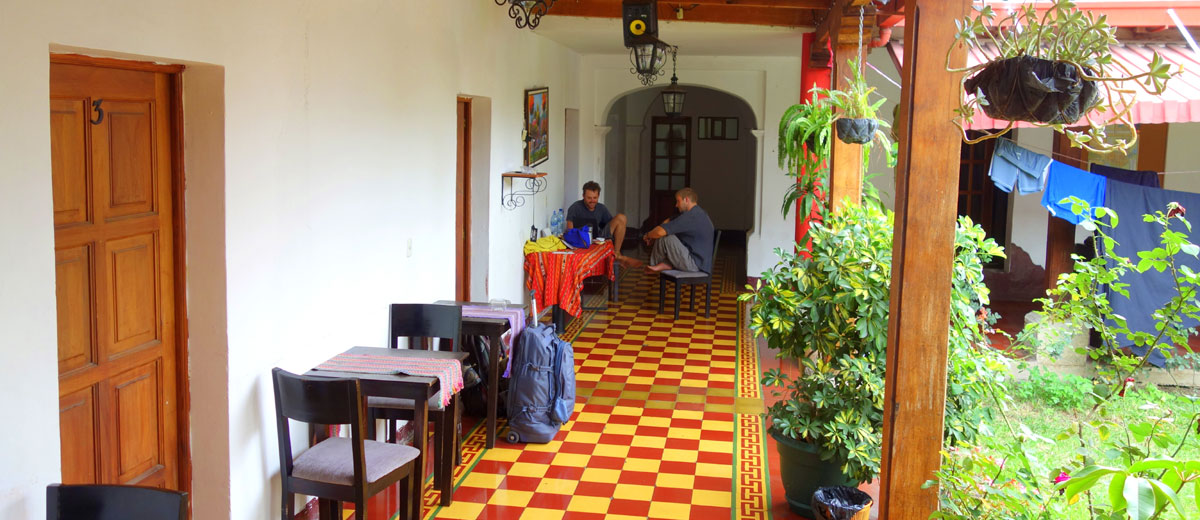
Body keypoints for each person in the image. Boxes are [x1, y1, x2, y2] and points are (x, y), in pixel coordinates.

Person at [623, 187, 714, 274]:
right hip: (698, 262)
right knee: (664, 232)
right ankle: (664, 264)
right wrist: (654, 236)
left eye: (678, 201)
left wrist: (648, 235)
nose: (676, 205)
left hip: (694, 264)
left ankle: (655, 264)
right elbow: (668, 221)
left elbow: (659, 232)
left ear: (686, 200)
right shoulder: (697, 213)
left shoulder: (691, 216)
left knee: (666, 236)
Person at [566, 181, 629, 261]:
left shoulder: (601, 208)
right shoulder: (575, 207)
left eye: (595, 198)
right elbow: (569, 229)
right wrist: (574, 243)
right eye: (589, 198)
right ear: (583, 196)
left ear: (598, 196)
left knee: (621, 217)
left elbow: (610, 225)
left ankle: (617, 253)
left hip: (598, 238)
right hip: (581, 239)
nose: (592, 201)